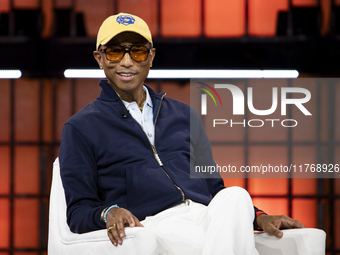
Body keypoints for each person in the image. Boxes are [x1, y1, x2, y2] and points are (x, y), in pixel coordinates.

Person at [59, 13, 305, 255]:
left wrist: (259, 217)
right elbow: (78, 211)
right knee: (213, 243)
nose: (126, 62)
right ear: (99, 58)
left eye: (138, 51)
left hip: (205, 214)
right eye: (114, 52)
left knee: (236, 195)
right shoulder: (80, 127)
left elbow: (215, 189)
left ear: (151, 57)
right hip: (157, 222)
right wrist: (108, 211)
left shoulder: (184, 115)